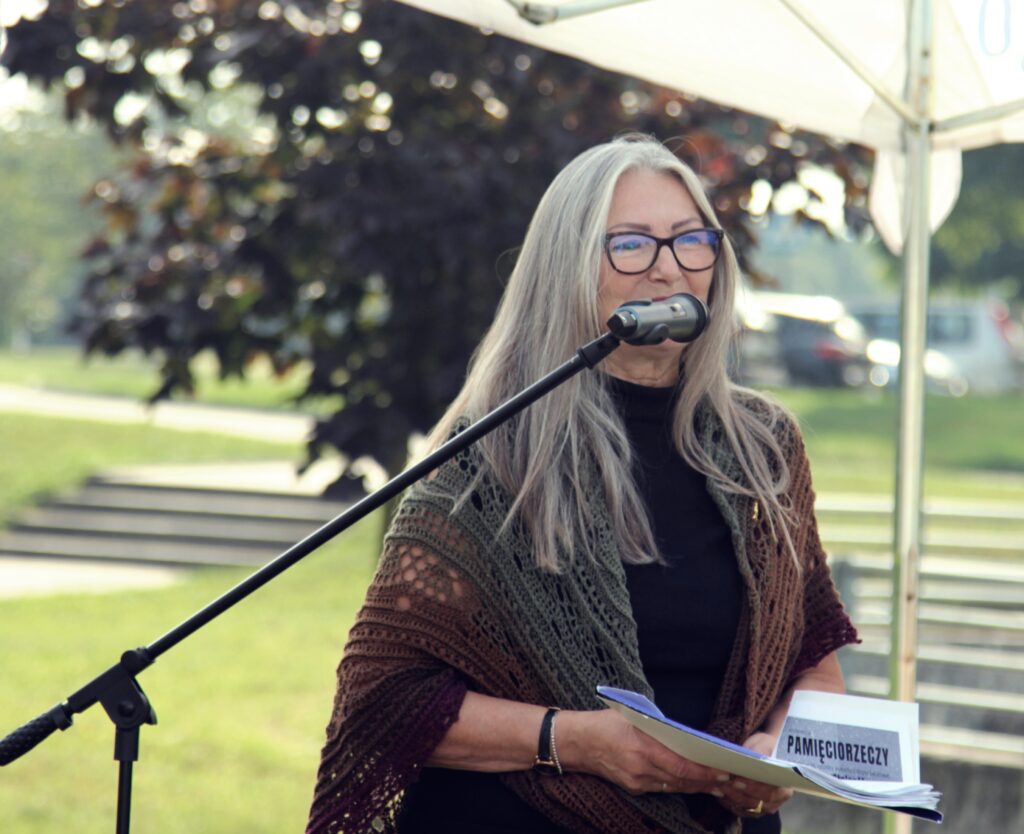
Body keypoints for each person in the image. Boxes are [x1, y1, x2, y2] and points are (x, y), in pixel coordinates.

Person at [306, 134, 859, 834]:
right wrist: (574, 742)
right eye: (630, 244)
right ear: (567, 266)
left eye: (691, 241)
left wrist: (786, 751)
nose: (668, 270)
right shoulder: (493, 451)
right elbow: (387, 702)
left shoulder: (763, 448)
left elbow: (815, 666)